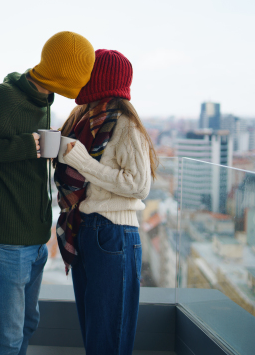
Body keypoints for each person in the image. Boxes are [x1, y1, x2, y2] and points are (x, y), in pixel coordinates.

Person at [0, 31, 95, 355]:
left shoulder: (44, 102)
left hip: (34, 238)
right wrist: (26, 146)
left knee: (26, 325)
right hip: (4, 240)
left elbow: (27, 157)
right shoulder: (3, 98)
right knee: (6, 338)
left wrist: (43, 150)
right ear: (61, 74)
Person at [54, 49, 158, 355]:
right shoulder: (81, 119)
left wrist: (82, 161)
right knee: (96, 334)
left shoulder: (125, 125)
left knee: (108, 337)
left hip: (114, 232)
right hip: (85, 228)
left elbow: (139, 186)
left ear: (97, 78)